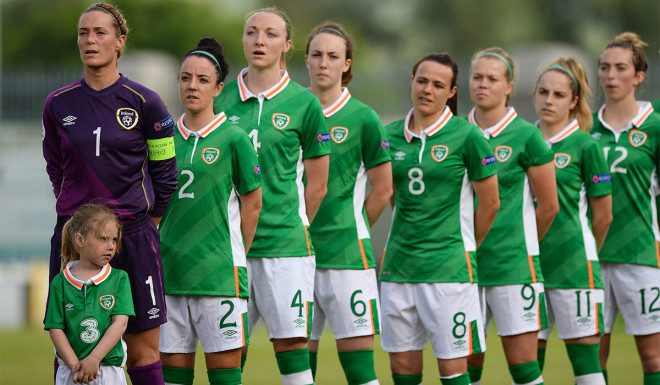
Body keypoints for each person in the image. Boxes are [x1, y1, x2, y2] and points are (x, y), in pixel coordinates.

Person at [41, 3, 177, 384]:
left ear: (120, 42)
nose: (90, 39)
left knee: (143, 348)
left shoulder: (146, 101)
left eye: (100, 32)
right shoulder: (57, 103)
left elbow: (165, 172)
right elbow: (56, 168)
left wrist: (144, 224)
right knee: (67, 344)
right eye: (83, 32)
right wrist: (77, 223)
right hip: (74, 236)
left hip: (133, 235)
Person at [212, 7, 330, 385]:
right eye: (251, 32)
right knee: (228, 354)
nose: (259, 41)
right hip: (230, 248)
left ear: (287, 45)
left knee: (292, 351)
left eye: (270, 34)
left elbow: (318, 185)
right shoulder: (220, 98)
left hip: (285, 248)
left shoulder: (305, 103)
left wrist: (289, 223)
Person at [380, 52, 500, 385]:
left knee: (452, 370)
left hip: (448, 272)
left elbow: (490, 204)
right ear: (411, 82)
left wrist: (460, 247)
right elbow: (390, 194)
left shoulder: (468, 136)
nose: (427, 90)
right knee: (403, 371)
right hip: (398, 269)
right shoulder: (389, 136)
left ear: (451, 92)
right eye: (422, 81)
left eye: (438, 84)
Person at [158, 38, 263, 385]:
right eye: (185, 77)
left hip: (219, 278)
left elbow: (253, 204)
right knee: (173, 378)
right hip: (170, 274)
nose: (192, 85)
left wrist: (232, 256)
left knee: (225, 377)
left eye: (203, 79)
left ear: (218, 87)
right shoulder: (163, 138)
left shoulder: (234, 138)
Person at [304, 22, 392, 385]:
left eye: (333, 56)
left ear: (347, 64)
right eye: (317, 55)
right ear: (306, 60)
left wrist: (350, 227)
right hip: (295, 255)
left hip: (346, 256)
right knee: (298, 363)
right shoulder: (293, 111)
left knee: (358, 368)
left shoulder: (364, 118)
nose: (324, 63)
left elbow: (383, 190)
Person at [465, 48, 558, 385]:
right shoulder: (458, 132)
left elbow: (549, 206)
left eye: (492, 78)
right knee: (465, 366)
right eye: (477, 77)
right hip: (465, 267)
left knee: (523, 368)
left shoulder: (527, 136)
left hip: (513, 266)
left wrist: (522, 245)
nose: (483, 84)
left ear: (509, 87)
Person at [534, 58, 612, 385]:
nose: (549, 101)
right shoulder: (524, 139)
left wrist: (582, 254)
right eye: (543, 92)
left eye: (558, 94)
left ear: (574, 101)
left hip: (573, 267)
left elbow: (604, 215)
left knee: (586, 367)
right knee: (526, 365)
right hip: (529, 268)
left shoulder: (585, 146)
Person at [591, 32, 660, 385]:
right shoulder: (586, 128)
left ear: (639, 76)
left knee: (653, 357)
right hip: (591, 257)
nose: (611, 75)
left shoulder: (655, 126)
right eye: (605, 68)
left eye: (620, 68)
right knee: (592, 355)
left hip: (641, 254)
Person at [44, 203, 134, 385]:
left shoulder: (119, 278)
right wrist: (75, 365)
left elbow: (120, 323)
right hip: (71, 371)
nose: (111, 246)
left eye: (114, 240)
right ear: (80, 240)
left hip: (107, 370)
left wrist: (94, 359)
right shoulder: (60, 282)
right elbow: (55, 329)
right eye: (103, 239)